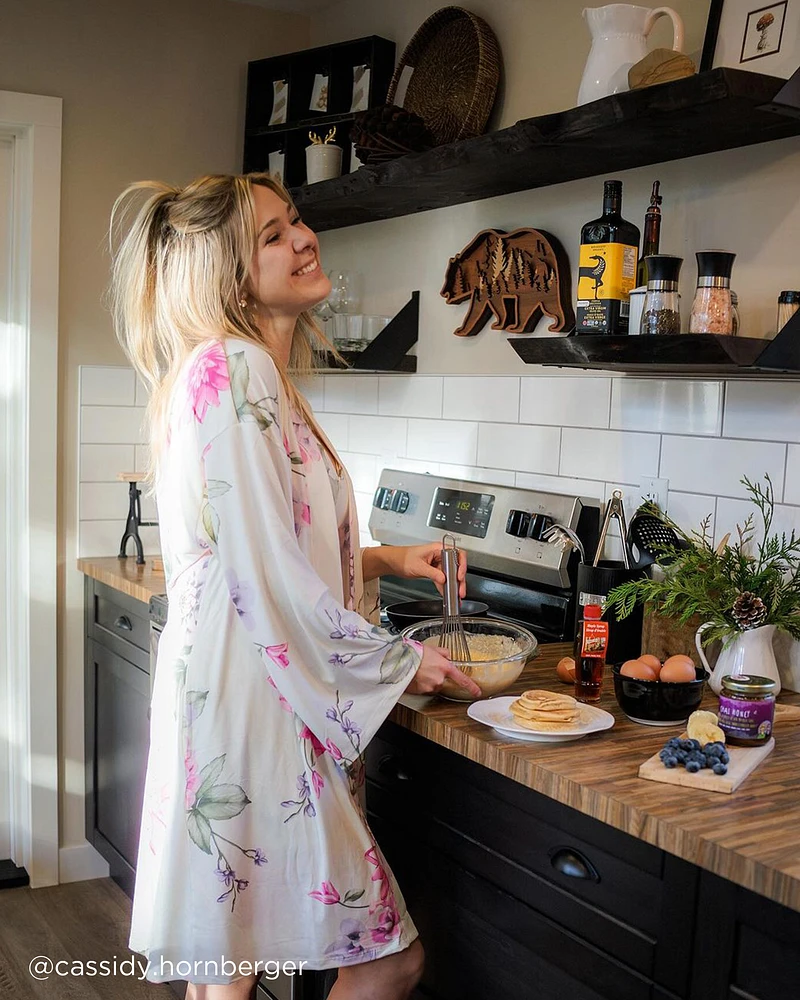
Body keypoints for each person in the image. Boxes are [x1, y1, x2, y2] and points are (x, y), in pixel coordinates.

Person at [109, 172, 481, 1000]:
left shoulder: (245, 374)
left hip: (235, 681)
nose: (304, 238)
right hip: (255, 691)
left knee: (228, 967)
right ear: (230, 272)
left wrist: (386, 559)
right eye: (273, 235)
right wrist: (397, 662)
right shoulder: (236, 367)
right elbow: (259, 563)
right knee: (387, 958)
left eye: (297, 221)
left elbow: (263, 538)